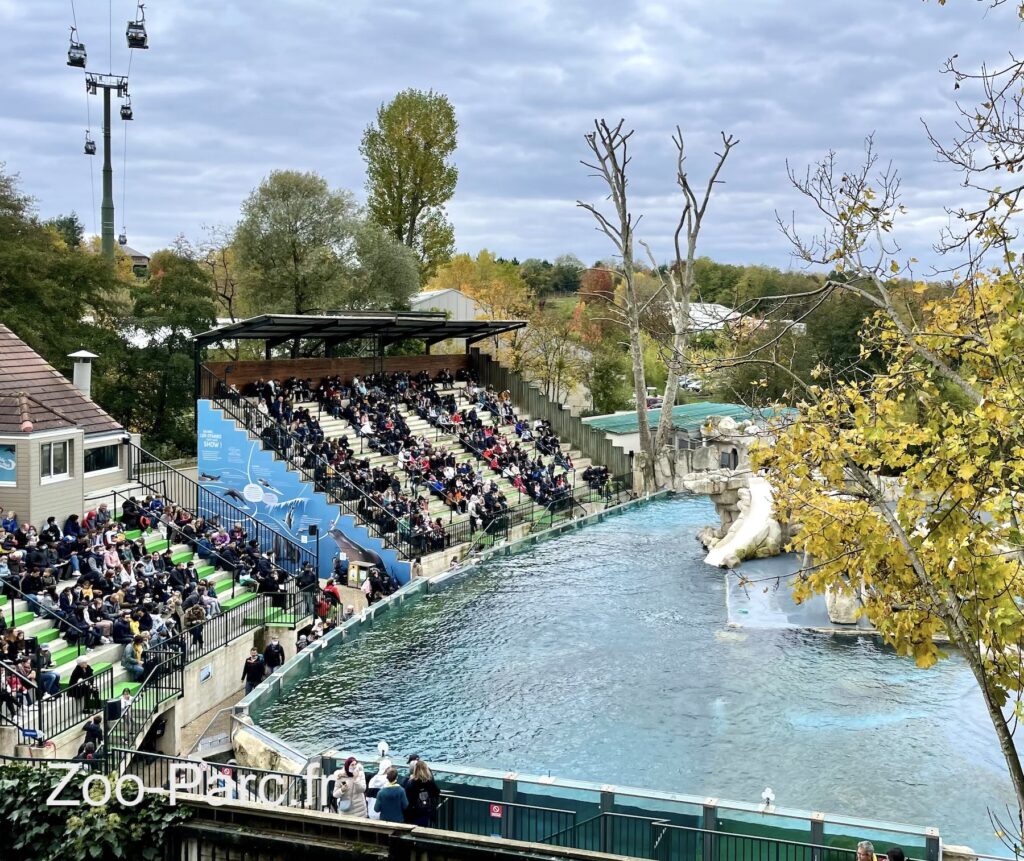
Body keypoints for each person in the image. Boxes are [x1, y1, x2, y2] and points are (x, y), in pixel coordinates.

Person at [404, 758, 441, 827]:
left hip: (415, 812)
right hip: (427, 810)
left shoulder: (411, 783)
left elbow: (408, 797)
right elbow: (437, 792)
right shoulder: (429, 781)